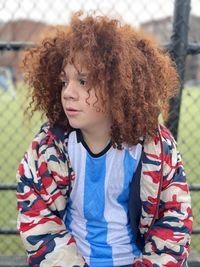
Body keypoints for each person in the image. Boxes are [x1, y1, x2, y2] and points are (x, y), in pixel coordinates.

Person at [16, 11, 193, 267]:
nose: (68, 93)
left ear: (118, 87)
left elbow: (174, 219)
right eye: (64, 81)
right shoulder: (48, 147)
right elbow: (38, 218)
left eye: (84, 81)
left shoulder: (156, 146)